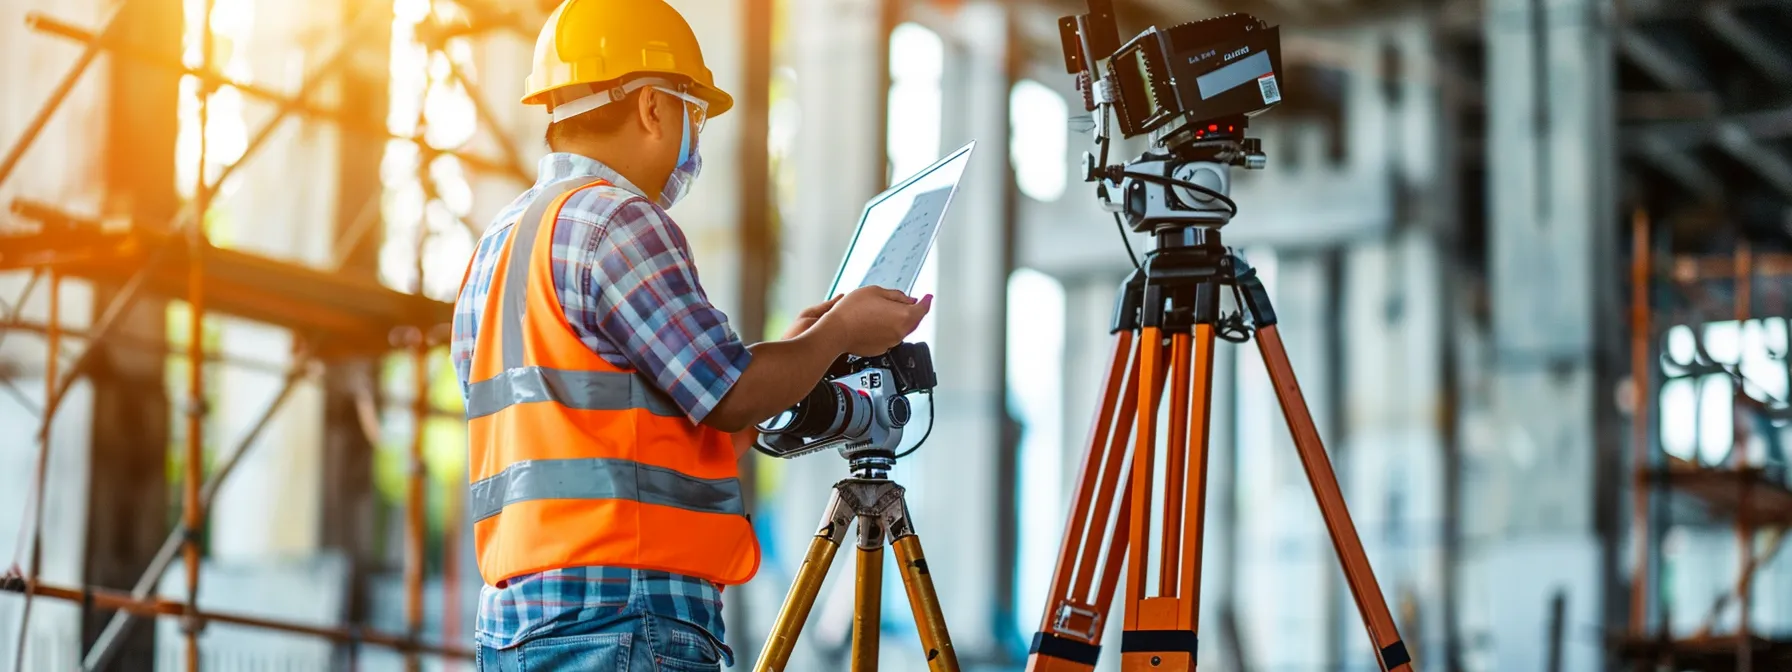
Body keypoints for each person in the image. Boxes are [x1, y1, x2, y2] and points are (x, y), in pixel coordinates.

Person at [451, 0, 932, 669]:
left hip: (519, 627)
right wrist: (842, 330)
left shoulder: (498, 247)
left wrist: (797, 347)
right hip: (626, 613)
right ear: (652, 105)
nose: (693, 138)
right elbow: (728, 394)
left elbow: (660, 418)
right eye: (690, 112)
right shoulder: (618, 220)